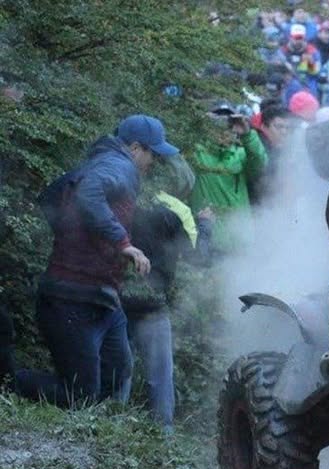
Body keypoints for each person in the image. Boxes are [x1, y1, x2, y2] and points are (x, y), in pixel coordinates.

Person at [12, 115, 178, 407]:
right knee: (80, 395)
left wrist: (88, 245)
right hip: (72, 295)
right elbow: (87, 192)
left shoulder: (106, 162)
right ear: (136, 148)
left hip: (99, 297)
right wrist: (123, 244)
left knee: (116, 375)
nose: (155, 163)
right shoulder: (119, 166)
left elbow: (52, 199)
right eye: (154, 154)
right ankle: (10, 381)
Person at [121, 155, 212, 432]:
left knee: (118, 367)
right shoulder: (178, 210)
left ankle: (107, 425)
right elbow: (199, 258)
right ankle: (165, 434)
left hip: (116, 296)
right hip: (152, 303)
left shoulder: (126, 197)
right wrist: (206, 225)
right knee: (160, 375)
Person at [189, 104, 268, 253]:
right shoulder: (196, 152)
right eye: (217, 122)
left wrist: (247, 133)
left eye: (228, 124)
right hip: (204, 233)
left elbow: (260, 161)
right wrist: (197, 123)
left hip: (237, 237)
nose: (223, 129)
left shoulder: (241, 155)